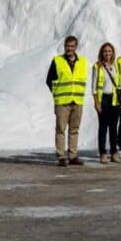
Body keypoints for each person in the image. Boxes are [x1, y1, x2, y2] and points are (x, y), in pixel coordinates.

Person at [45, 35, 89, 167]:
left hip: (77, 101)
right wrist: (57, 93)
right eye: (67, 46)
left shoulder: (82, 62)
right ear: (64, 47)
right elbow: (49, 80)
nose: (69, 48)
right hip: (62, 102)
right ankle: (61, 156)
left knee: (74, 129)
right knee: (60, 129)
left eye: (72, 46)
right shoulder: (57, 61)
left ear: (76, 47)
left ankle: (73, 156)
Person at [92, 42, 121, 164]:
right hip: (104, 99)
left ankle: (114, 152)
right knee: (103, 127)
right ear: (102, 53)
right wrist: (96, 102)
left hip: (115, 99)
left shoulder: (117, 66)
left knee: (113, 128)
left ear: (113, 53)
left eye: (109, 51)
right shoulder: (97, 66)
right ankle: (102, 153)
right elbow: (94, 87)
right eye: (105, 51)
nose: (107, 53)